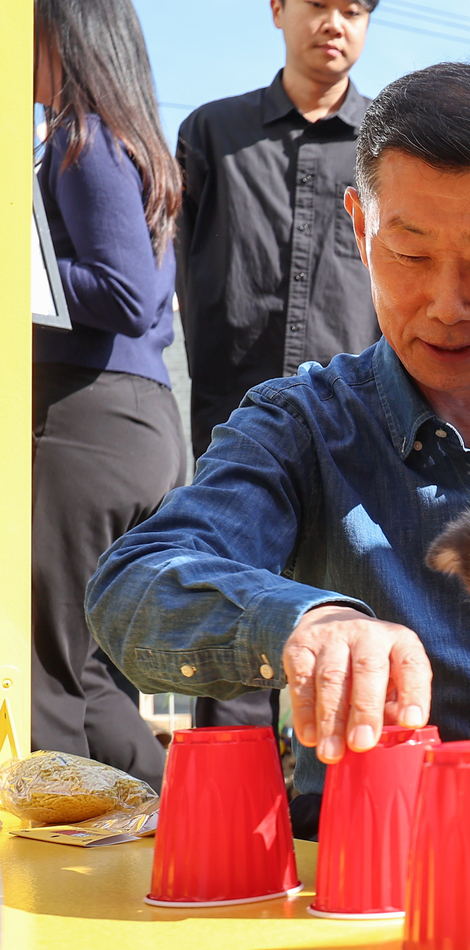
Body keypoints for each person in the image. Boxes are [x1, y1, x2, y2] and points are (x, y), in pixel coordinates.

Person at [88, 63, 470, 889]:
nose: (445, 303)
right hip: (370, 870)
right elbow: (135, 587)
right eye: (409, 252)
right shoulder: (301, 426)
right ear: (358, 228)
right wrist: (306, 624)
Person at [175, 0, 380, 731]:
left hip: (358, 421)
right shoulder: (210, 133)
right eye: (318, 4)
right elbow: (178, 269)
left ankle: (342, 823)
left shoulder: (390, 147)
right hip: (236, 418)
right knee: (230, 608)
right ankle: (233, 829)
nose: (335, 22)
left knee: (357, 618)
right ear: (277, 11)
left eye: (354, 9)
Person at [31, 0, 185, 789]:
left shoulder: (79, 139)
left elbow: (121, 291)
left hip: (86, 420)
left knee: (44, 669)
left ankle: (29, 894)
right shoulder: (135, 144)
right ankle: (172, 828)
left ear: (66, 34)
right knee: (95, 678)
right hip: (144, 425)